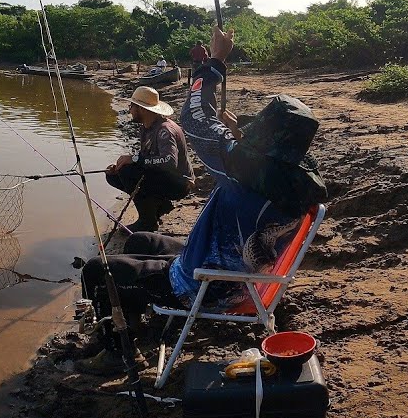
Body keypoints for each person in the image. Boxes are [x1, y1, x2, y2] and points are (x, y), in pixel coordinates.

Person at [77, 26, 327, 375]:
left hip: (208, 285)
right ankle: (134, 320)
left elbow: (193, 115)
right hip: (241, 275)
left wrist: (216, 60)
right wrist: (239, 135)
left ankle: (119, 350)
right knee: (141, 240)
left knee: (97, 269)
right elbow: (265, 161)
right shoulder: (294, 180)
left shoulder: (241, 173)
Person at [104, 86, 194, 233]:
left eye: (132, 106)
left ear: (142, 109)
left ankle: (147, 222)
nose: (129, 110)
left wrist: (134, 160)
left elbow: (169, 162)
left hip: (180, 183)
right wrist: (122, 165)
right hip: (164, 177)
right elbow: (147, 157)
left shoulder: (164, 130)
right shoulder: (147, 127)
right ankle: (159, 205)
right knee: (114, 176)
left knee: (128, 172)